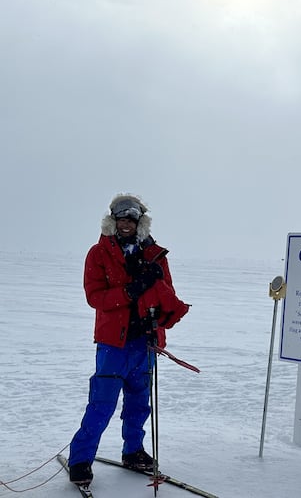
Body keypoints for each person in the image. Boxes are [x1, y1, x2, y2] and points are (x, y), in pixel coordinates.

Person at [68, 194, 190, 484]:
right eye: (120, 219)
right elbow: (94, 297)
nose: (125, 224)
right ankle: (81, 460)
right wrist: (131, 291)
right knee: (102, 404)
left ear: (139, 223)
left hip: (145, 342)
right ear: (112, 221)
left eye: (130, 220)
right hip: (113, 345)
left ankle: (133, 451)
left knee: (138, 403)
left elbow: (167, 294)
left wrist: (158, 302)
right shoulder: (98, 254)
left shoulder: (155, 254)